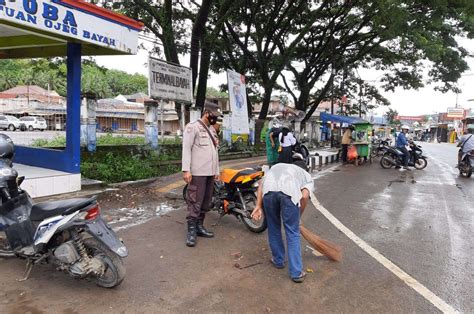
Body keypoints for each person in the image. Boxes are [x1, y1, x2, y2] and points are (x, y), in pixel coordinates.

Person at [251, 156, 313, 283]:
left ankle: (278, 260)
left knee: (273, 227)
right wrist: (298, 217)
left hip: (268, 194)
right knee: (292, 232)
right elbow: (305, 196)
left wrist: (258, 206)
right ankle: (296, 272)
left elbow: (261, 185)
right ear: (305, 168)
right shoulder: (306, 175)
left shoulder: (278, 167)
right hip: (288, 194)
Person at [182, 102, 222, 247]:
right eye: (214, 115)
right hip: (198, 173)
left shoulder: (212, 130)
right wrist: (186, 170)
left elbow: (215, 152)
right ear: (207, 113)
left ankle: (199, 227)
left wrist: (216, 171)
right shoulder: (193, 127)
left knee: (206, 202)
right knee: (195, 202)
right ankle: (191, 232)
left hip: (210, 173)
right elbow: (186, 149)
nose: (215, 119)